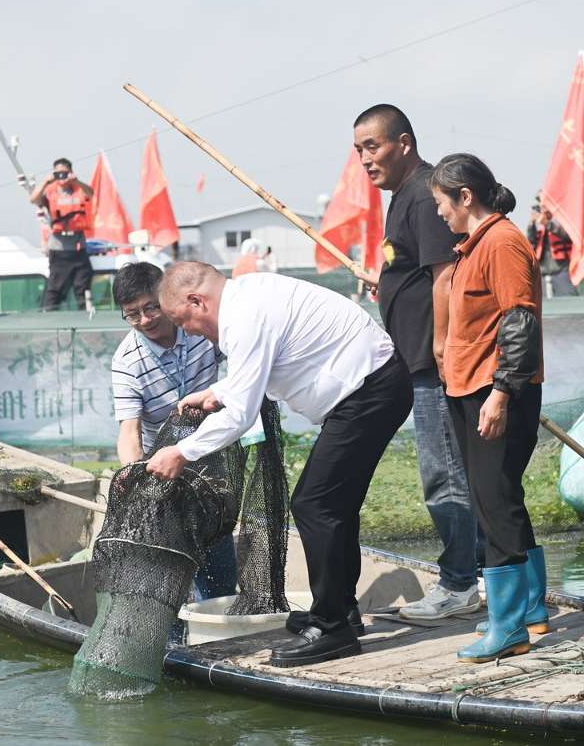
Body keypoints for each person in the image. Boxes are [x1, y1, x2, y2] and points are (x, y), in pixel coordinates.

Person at [146, 263, 412, 667]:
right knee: (332, 505)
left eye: (186, 321)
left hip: (369, 391)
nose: (190, 332)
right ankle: (340, 610)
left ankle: (332, 627)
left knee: (315, 504)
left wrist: (182, 452)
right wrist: (215, 391)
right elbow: (255, 375)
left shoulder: (244, 319)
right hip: (372, 387)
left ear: (197, 300)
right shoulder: (248, 297)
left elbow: (240, 415)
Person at [352, 104, 483, 623]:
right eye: (359, 149)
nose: (365, 159)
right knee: (449, 472)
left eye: (373, 146)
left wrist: (443, 344)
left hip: (436, 366)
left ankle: (458, 584)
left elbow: (447, 276)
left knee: (446, 474)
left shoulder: (425, 195)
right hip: (420, 362)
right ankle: (475, 574)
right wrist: (384, 283)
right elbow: (414, 271)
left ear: (403, 143)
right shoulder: (402, 198)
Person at [428, 153, 549, 664]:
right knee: (499, 499)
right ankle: (529, 610)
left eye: (441, 203)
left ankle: (508, 626)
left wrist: (501, 392)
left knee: (493, 505)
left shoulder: (501, 242)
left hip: (491, 391)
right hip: (468, 387)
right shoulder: (471, 248)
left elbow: (520, 320)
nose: (439, 214)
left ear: (465, 196)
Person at [109, 261, 234, 600]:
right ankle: (172, 636)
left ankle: (218, 614)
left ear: (166, 297)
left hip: (210, 460)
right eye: (132, 314)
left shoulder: (199, 328)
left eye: (151, 307)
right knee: (165, 558)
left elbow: (242, 370)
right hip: (161, 465)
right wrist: (137, 478)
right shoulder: (127, 361)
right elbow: (130, 431)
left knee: (217, 543)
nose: (145, 320)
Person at [28, 157, 95, 311]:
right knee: (54, 291)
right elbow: (33, 199)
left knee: (82, 290)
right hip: (59, 250)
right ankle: (49, 322)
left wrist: (77, 181)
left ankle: (87, 325)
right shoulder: (50, 192)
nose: (62, 177)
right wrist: (46, 181)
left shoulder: (79, 189)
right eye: (58, 174)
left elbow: (91, 194)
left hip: (78, 248)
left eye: (65, 173)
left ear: (71, 172)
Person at [526, 202, 577, 297]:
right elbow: (530, 242)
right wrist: (531, 224)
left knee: (568, 300)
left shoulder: (563, 221)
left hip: (562, 272)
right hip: (543, 274)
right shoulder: (539, 227)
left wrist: (548, 224)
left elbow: (568, 235)